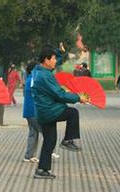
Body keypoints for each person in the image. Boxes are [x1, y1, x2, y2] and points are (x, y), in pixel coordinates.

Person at [31, 48, 89, 179]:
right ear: (46, 60)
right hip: (49, 111)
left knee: (49, 141)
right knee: (72, 113)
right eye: (53, 58)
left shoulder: (38, 71)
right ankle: (68, 140)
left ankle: (42, 170)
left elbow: (56, 64)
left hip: (42, 112)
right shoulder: (45, 76)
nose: (55, 61)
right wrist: (78, 98)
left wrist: (61, 53)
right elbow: (59, 94)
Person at [23, 61, 59, 163]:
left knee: (33, 133)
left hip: (28, 112)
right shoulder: (33, 80)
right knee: (47, 132)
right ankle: (49, 152)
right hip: (33, 112)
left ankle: (28, 156)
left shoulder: (30, 79)